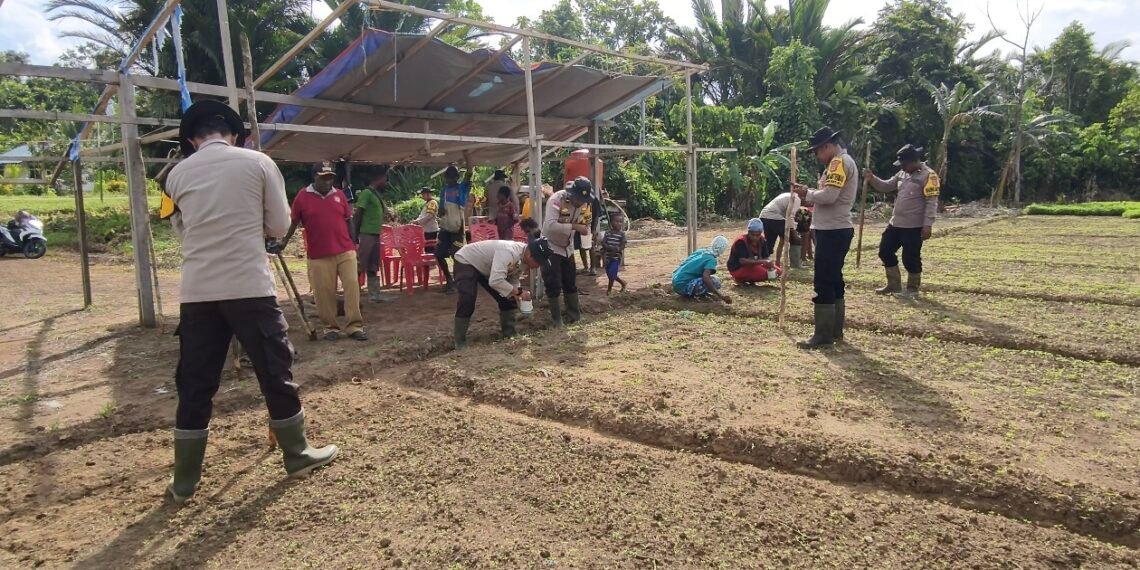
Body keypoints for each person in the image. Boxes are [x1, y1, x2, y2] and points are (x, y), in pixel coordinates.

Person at [163, 100, 336, 504]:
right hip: (249, 286)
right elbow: (278, 225)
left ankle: (185, 481)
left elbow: (180, 230)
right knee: (274, 370)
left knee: (195, 383)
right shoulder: (257, 163)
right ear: (235, 135)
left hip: (198, 292)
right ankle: (297, 453)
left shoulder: (176, 175)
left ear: (192, 139)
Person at [284, 161, 368, 342]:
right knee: (324, 292)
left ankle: (354, 326)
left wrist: (355, 245)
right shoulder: (302, 197)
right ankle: (330, 327)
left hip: (345, 250)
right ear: (314, 176)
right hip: (319, 254)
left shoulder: (339, 195)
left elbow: (349, 220)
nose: (327, 182)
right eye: (323, 178)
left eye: (330, 178)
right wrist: (283, 242)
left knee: (352, 287)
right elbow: (293, 222)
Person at [792, 126, 858, 348]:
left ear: (828, 146)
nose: (818, 156)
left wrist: (807, 194)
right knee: (834, 279)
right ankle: (835, 330)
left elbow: (829, 196)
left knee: (824, 280)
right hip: (836, 229)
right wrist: (809, 192)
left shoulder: (838, 163)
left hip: (833, 230)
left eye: (818, 151)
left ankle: (823, 334)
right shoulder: (841, 162)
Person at [451, 219, 550, 349]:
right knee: (467, 299)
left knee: (508, 298)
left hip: (487, 267)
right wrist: (518, 292)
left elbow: (512, 279)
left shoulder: (523, 259)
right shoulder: (509, 252)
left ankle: (509, 333)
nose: (538, 266)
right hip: (467, 261)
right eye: (538, 263)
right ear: (531, 255)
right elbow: (495, 280)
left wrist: (516, 294)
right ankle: (460, 342)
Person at [864, 144, 940, 298]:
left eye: (905, 164)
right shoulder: (902, 174)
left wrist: (928, 225)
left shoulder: (929, 176)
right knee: (885, 251)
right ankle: (893, 284)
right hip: (896, 223)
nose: (903, 167)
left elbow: (932, 202)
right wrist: (872, 179)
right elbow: (886, 186)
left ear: (913, 161)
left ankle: (912, 289)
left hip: (914, 226)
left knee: (910, 257)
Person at [541, 177, 593, 326]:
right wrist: (575, 227)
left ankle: (574, 315)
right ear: (572, 193)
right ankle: (557, 320)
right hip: (551, 245)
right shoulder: (556, 200)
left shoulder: (585, 204)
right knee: (553, 282)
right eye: (578, 198)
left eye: (583, 199)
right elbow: (551, 225)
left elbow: (586, 222)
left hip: (567, 247)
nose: (580, 202)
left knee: (570, 281)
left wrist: (586, 230)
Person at [353, 165, 391, 303]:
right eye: (385, 179)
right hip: (366, 234)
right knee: (360, 265)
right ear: (380, 178)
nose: (386, 182)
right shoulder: (366, 193)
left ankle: (374, 295)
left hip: (375, 234)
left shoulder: (375, 194)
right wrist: (354, 235)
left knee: (373, 265)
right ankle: (352, 293)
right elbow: (358, 215)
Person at [435, 161, 473, 293]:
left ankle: (458, 282)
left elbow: (469, 175)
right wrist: (440, 213)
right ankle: (449, 280)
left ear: (457, 177)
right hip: (445, 226)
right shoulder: (444, 190)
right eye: (448, 177)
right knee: (439, 253)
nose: (450, 180)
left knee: (456, 254)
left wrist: (468, 159)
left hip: (458, 227)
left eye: (452, 177)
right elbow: (440, 209)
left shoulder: (462, 188)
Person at [672, 236, 732, 303]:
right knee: (715, 281)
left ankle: (698, 291)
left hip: (676, 281)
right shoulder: (711, 259)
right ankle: (693, 294)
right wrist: (720, 295)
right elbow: (706, 277)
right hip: (682, 286)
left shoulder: (700, 251)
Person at [728, 218, 779, 285]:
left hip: (754, 266)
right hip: (739, 268)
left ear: (761, 233)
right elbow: (742, 261)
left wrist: (769, 263)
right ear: (748, 232)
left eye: (757, 235)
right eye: (752, 235)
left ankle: (751, 277)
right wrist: (762, 261)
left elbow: (765, 257)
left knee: (778, 272)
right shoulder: (741, 241)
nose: (755, 238)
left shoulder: (762, 240)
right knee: (767, 274)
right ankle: (740, 278)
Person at [758, 191, 801, 262]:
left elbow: (787, 215)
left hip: (764, 216)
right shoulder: (796, 199)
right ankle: (795, 263)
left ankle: (765, 261)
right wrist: (794, 230)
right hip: (773, 217)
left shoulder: (788, 195)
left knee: (770, 242)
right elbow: (790, 216)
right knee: (794, 239)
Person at [602, 212, 628, 295]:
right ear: (611, 222)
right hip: (607, 257)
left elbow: (623, 244)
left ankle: (609, 290)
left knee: (612, 274)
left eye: (620, 222)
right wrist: (609, 248)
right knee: (610, 274)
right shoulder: (607, 233)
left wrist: (617, 249)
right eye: (616, 221)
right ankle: (623, 283)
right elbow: (603, 242)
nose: (618, 223)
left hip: (616, 257)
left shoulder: (622, 234)